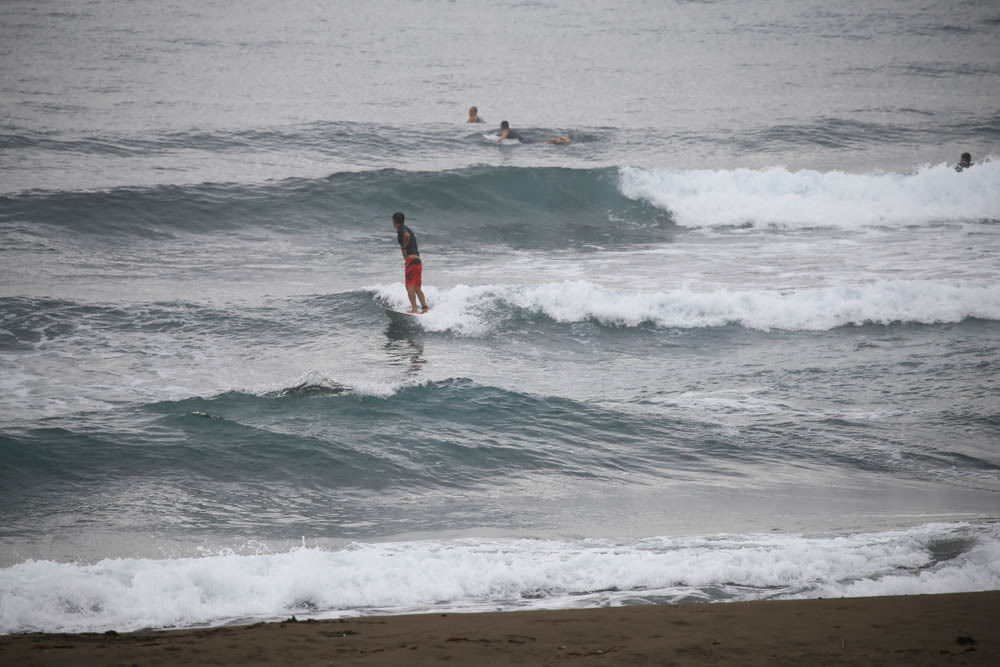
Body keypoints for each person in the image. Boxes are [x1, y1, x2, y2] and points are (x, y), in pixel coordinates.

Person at [391, 212, 429, 314]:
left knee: (409, 286)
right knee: (417, 287)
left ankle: (414, 309)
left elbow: (406, 236)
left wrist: (404, 248)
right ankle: (425, 308)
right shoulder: (408, 228)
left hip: (411, 261)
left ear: (394, 221)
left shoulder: (401, 229)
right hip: (417, 261)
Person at [497, 120, 571, 144]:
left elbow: (504, 135)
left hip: (525, 141)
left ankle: (559, 140)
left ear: (502, 126)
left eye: (501, 126)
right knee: (543, 142)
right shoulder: (509, 129)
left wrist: (499, 140)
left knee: (545, 143)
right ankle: (561, 140)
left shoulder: (505, 130)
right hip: (526, 139)